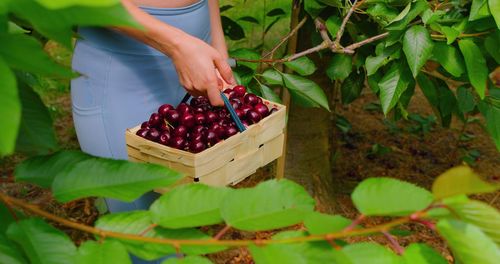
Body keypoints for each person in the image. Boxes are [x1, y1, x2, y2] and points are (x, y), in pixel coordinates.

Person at [71, 1, 234, 261]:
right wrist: (176, 45)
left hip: (198, 52)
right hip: (123, 73)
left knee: (181, 216)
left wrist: (218, 48)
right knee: (150, 244)